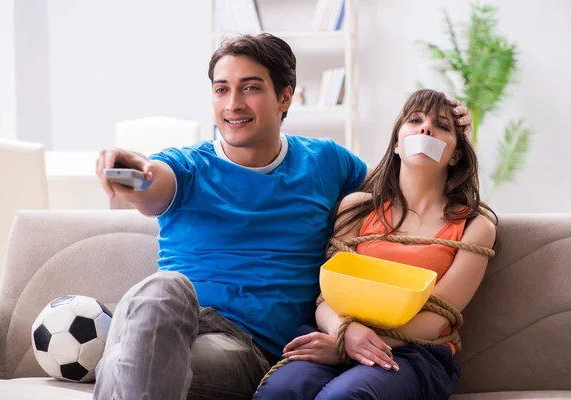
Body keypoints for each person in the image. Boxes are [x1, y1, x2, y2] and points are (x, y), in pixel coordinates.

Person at [92, 33, 473, 400]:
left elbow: (408, 186)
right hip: (167, 318)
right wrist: (133, 172)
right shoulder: (186, 165)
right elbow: (152, 183)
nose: (233, 104)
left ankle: (119, 364)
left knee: (132, 360)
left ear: (285, 97)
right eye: (222, 89)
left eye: (251, 88)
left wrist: (448, 136)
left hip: (240, 346)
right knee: (164, 288)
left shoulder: (327, 162)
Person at [253, 89, 497, 400]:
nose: (426, 129)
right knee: (279, 391)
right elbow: (327, 295)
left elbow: (437, 318)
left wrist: (351, 346)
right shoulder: (357, 208)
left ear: (456, 155)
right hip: (338, 333)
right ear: (397, 143)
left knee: (343, 397)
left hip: (413, 353)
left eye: (442, 126)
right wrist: (344, 335)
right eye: (415, 120)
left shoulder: (476, 227)